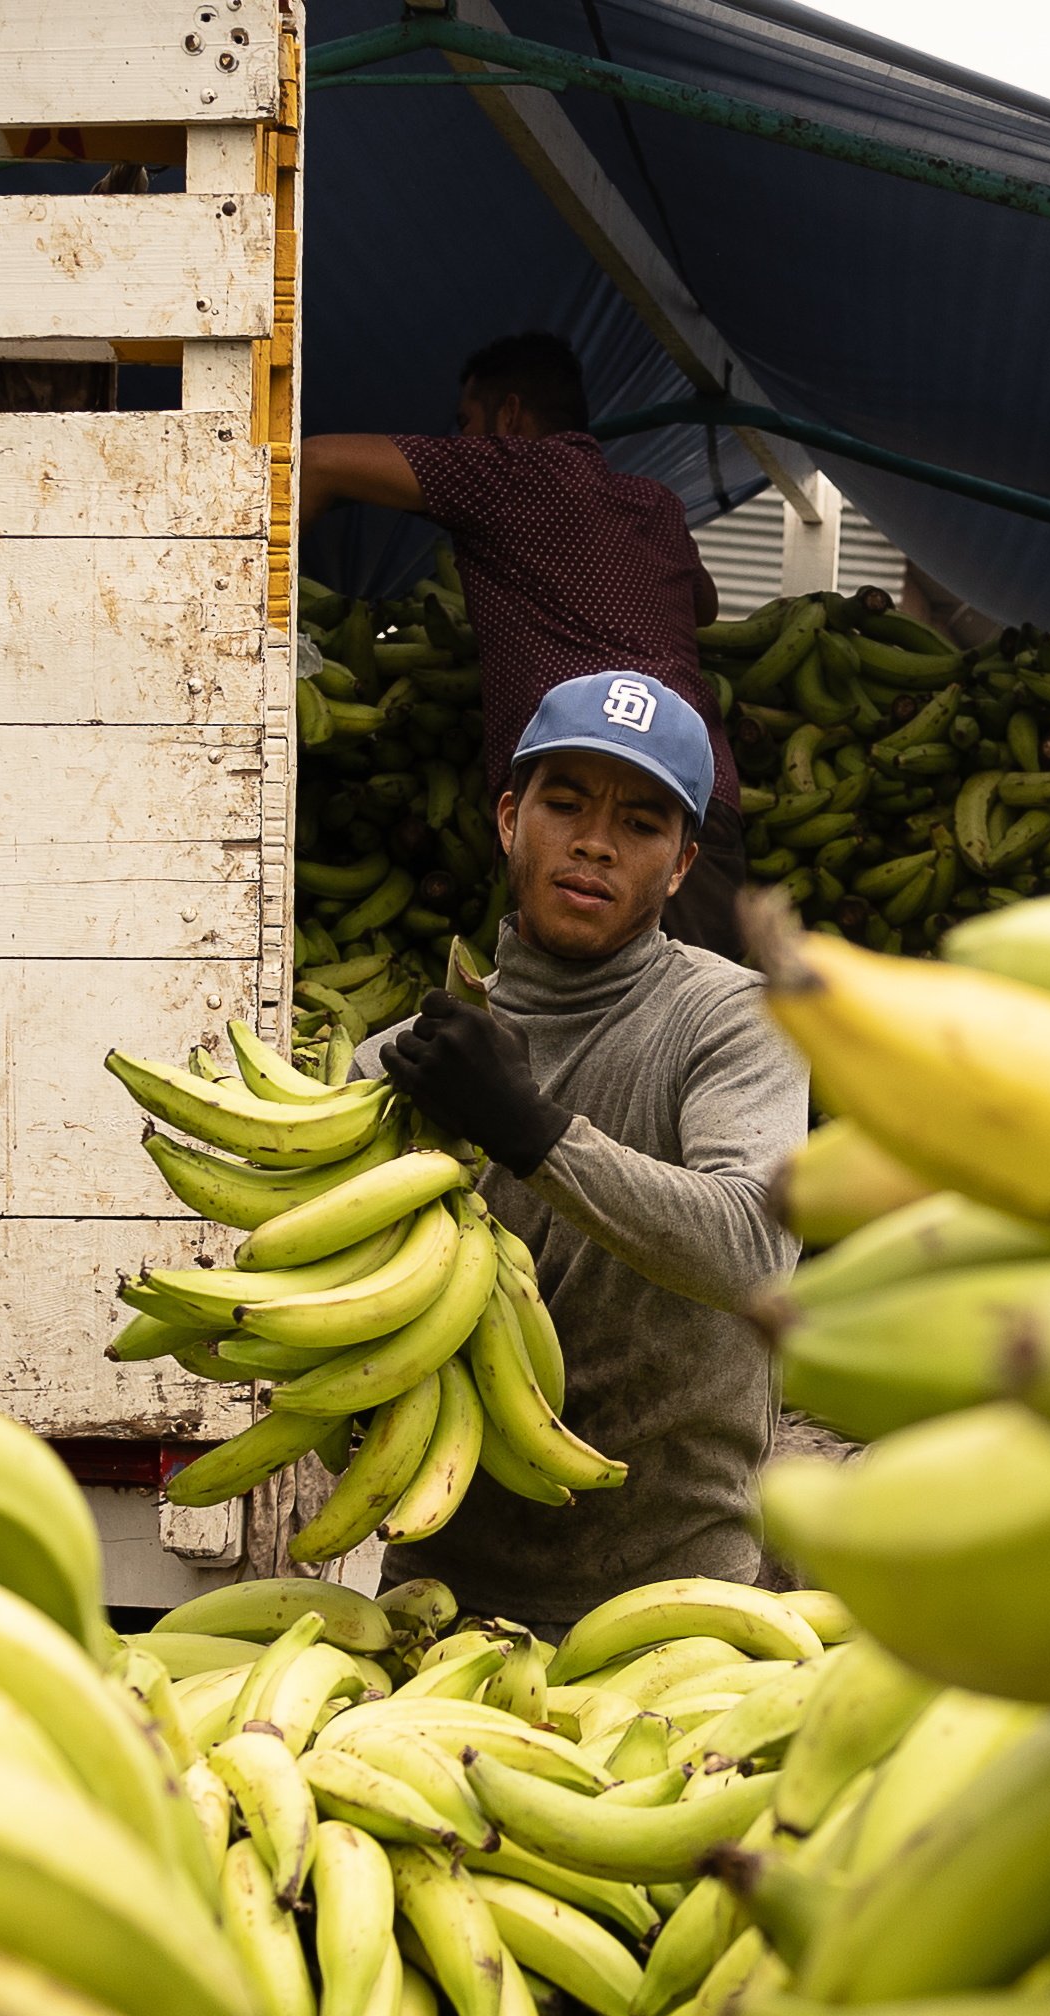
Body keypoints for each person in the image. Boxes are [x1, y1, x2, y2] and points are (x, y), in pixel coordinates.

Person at [362, 670, 803, 1628]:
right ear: (511, 819)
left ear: (681, 865)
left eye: (642, 824)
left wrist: (531, 1131)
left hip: (685, 1604)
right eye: (566, 804)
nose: (596, 841)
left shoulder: (732, 1023)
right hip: (440, 1609)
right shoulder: (393, 1074)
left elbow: (755, 1252)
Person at [298, 332, 752, 957]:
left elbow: (315, 462)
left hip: (571, 793)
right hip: (693, 792)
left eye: (466, 422)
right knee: (696, 1020)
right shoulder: (655, 503)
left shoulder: (505, 470)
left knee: (571, 1020)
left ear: (509, 416)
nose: (461, 440)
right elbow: (705, 604)